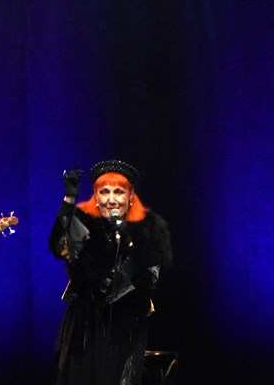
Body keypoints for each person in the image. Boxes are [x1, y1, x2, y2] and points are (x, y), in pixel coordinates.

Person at [49, 159, 172, 385]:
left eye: (119, 192)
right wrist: (69, 200)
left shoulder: (149, 230)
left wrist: (126, 243)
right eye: (104, 192)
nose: (111, 199)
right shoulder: (85, 224)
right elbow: (58, 245)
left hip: (125, 325)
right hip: (86, 323)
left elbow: (148, 281)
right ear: (96, 197)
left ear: (130, 196)